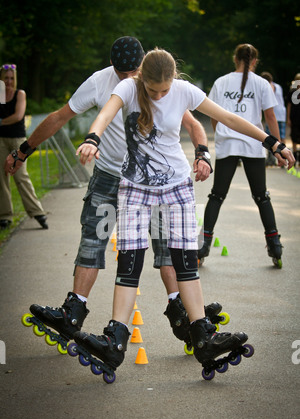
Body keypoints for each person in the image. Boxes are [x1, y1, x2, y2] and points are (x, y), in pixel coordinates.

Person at [72, 48, 294, 374]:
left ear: (173, 79)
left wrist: (273, 143)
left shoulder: (184, 91)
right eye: (153, 90)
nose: (160, 95)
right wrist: (93, 138)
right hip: (135, 187)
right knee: (130, 262)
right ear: (142, 79)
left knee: (185, 260)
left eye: (165, 89)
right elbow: (105, 114)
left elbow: (230, 119)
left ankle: (202, 334)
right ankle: (115, 339)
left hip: (176, 186)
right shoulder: (128, 87)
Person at [6, 37, 210, 344]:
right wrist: (24, 150)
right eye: (123, 73)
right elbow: (61, 117)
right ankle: (74, 309)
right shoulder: (100, 83)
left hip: (150, 182)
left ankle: (179, 308)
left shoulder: (156, 83)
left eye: (134, 72)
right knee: (93, 239)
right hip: (108, 177)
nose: (130, 79)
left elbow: (193, 123)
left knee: (164, 245)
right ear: (113, 68)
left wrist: (202, 152)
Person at [197, 44, 289, 268]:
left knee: (217, 196)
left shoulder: (221, 82)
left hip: (228, 145)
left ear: (234, 59)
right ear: (255, 61)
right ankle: (274, 245)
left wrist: (221, 133)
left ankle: (203, 246)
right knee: (262, 197)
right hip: (253, 144)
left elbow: (213, 115)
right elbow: (269, 117)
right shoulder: (262, 84)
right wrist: (277, 148)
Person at [0, 64, 48, 230]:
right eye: (6, 78)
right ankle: (5, 215)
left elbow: (18, 116)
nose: (9, 81)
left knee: (20, 176)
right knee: (1, 177)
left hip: (17, 140)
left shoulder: (20, 94)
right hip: (1, 140)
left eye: (12, 78)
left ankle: (37, 212)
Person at [261, 71, 286, 166]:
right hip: (281, 114)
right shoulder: (278, 86)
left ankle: (272, 157)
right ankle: (284, 155)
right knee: (281, 136)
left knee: (270, 136)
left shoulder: (269, 86)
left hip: (273, 114)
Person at [287, 73, 300, 166]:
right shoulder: (292, 91)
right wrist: (288, 118)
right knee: (294, 137)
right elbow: (289, 105)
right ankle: (295, 155)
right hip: (294, 117)